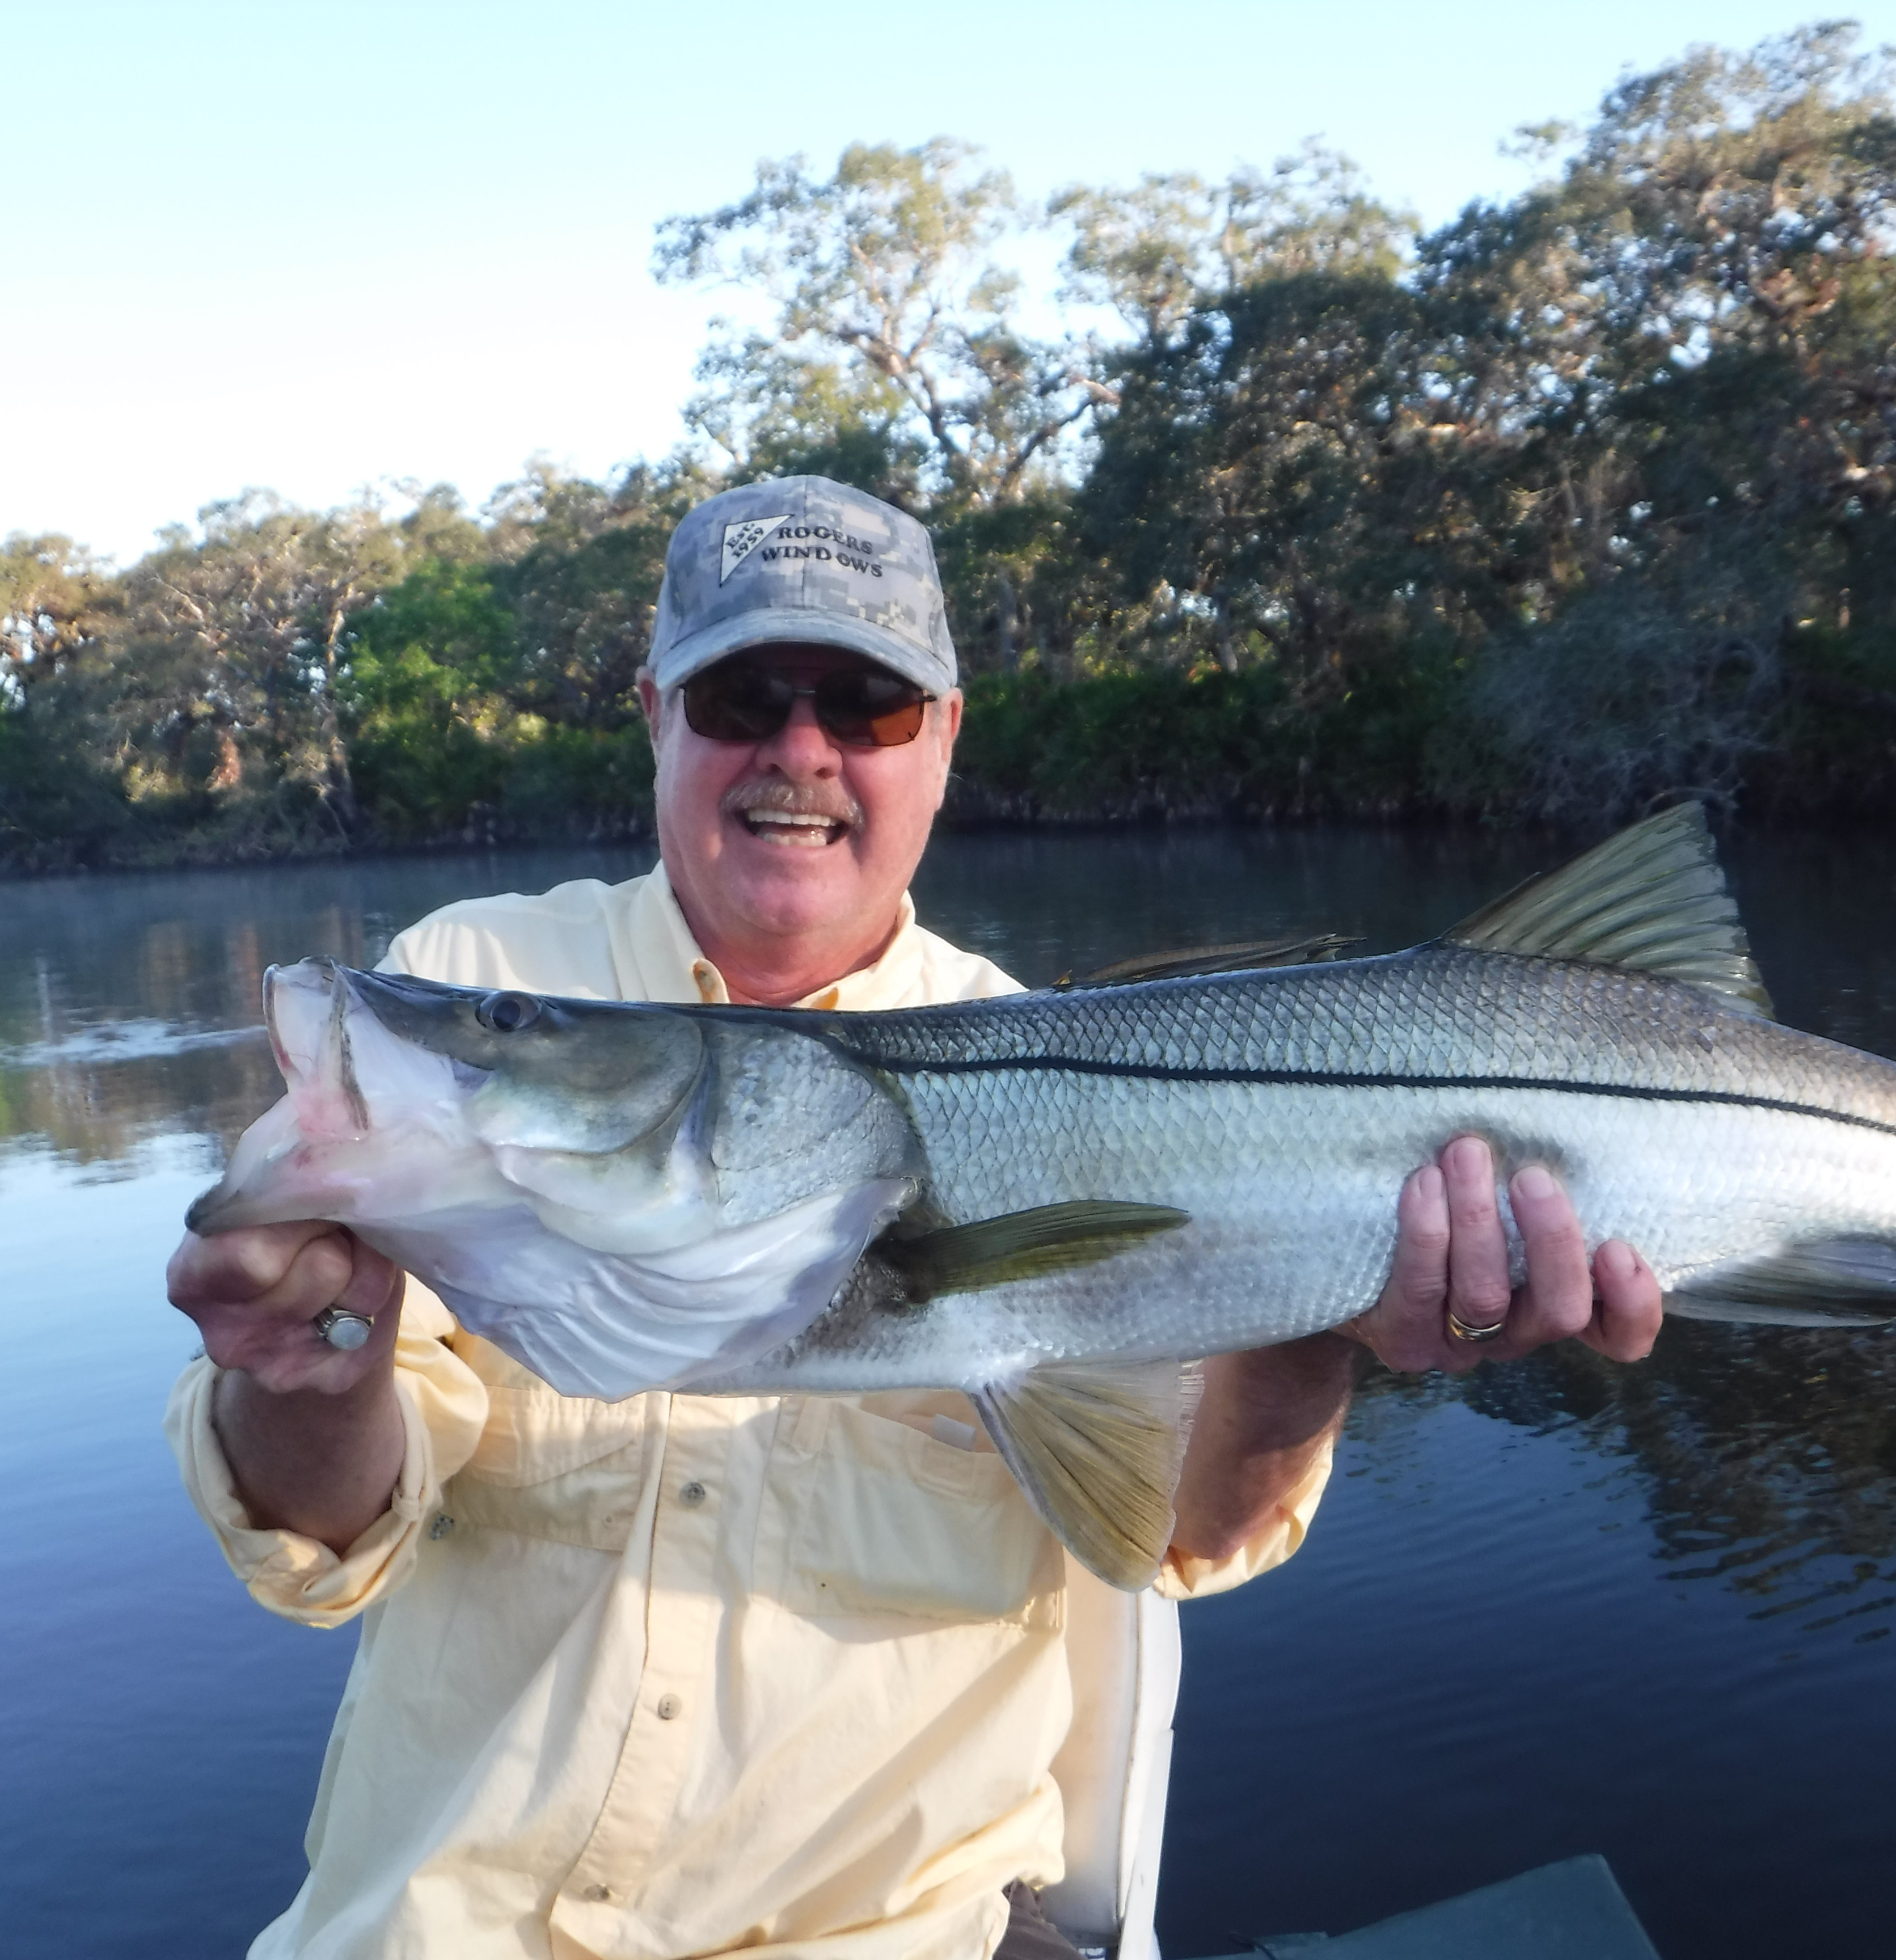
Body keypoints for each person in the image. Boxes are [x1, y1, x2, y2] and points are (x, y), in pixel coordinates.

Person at [166, 476, 1664, 1960]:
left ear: (943, 737)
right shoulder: (472, 981)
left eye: (868, 704)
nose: (800, 751)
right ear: (656, 715)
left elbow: (1180, 1533)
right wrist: (315, 1356)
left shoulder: (1040, 1053)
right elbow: (319, 1540)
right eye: (744, 695)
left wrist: (1318, 1327)